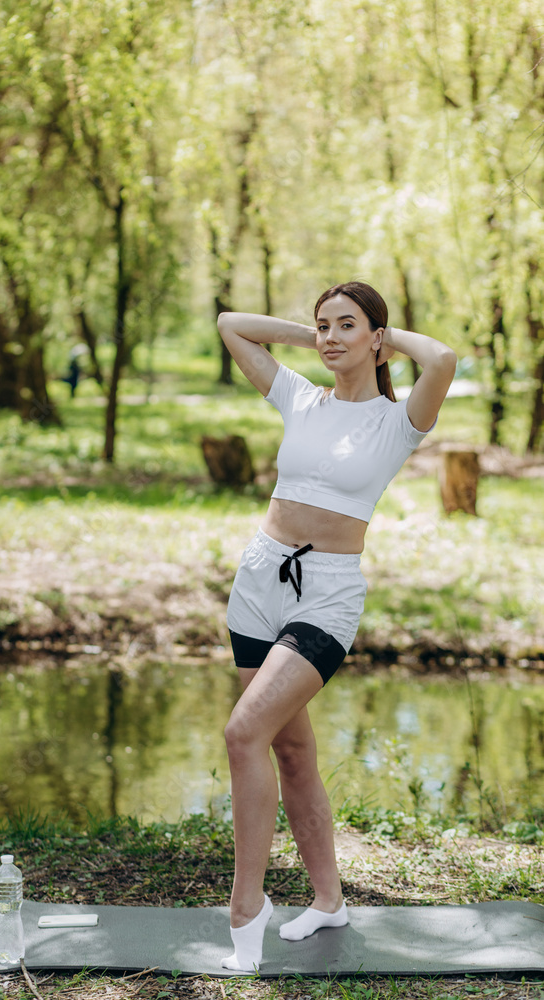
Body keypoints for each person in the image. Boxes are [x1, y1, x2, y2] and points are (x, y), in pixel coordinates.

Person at [217, 281, 456, 973]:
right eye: (321, 325)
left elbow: (439, 358)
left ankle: (246, 906)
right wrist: (318, 337)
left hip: (325, 596)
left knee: (243, 733)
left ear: (377, 338)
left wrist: (377, 337)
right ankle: (328, 900)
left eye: (344, 326)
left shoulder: (399, 419)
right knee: (288, 751)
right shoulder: (300, 396)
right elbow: (233, 325)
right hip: (259, 582)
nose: (327, 337)